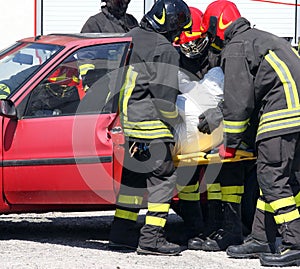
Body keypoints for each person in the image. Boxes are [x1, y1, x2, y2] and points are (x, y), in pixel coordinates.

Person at [198, 0, 300, 267]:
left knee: (272, 176)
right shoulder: (262, 38)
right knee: (285, 179)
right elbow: (252, 93)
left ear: (215, 26)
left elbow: (239, 102)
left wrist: (229, 144)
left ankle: (295, 242)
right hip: (294, 118)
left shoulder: (236, 48)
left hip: (280, 117)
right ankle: (261, 237)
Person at [108, 0, 192, 256]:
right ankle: (152, 239)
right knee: (163, 179)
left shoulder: (131, 36)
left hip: (130, 125)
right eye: (178, 27)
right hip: (152, 126)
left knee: (133, 181)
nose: (179, 33)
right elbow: (164, 98)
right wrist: (181, 122)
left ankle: (121, 234)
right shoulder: (164, 49)